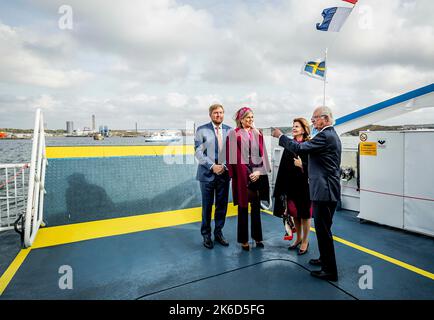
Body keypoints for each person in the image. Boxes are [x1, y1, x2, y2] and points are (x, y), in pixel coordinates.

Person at [272, 106, 342, 282]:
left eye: (315, 118)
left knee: (323, 231)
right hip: (327, 189)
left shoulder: (326, 136)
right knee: (322, 229)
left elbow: (299, 148)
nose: (313, 121)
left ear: (325, 119)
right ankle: (324, 260)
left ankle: (330, 271)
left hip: (324, 191)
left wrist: (280, 136)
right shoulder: (331, 135)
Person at [226, 107, 271, 251]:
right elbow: (234, 158)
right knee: (243, 208)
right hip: (243, 176)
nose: (250, 120)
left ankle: (258, 238)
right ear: (240, 119)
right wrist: (247, 173)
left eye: (252, 117)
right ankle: (244, 240)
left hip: (257, 174)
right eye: (247, 117)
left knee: (256, 208)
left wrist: (258, 172)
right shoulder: (234, 134)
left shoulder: (257, 133)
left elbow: (262, 153)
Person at [194, 104, 232, 249]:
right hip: (206, 174)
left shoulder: (230, 130)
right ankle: (206, 235)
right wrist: (212, 166)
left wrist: (224, 166)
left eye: (221, 112)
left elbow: (233, 152)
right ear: (210, 114)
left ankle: (218, 233)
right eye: (216, 113)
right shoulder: (201, 130)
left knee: (221, 206)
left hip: (224, 174)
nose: (218, 115)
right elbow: (198, 152)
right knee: (207, 206)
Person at [273, 118, 312, 255]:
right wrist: (281, 187)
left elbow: (313, 168)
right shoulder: (291, 144)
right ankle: (298, 238)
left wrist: (302, 166)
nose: (294, 128)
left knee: (305, 215)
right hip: (291, 185)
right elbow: (283, 167)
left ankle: (306, 241)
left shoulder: (308, 145)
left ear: (303, 129)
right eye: (293, 126)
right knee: (294, 213)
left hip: (304, 186)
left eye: (297, 126)